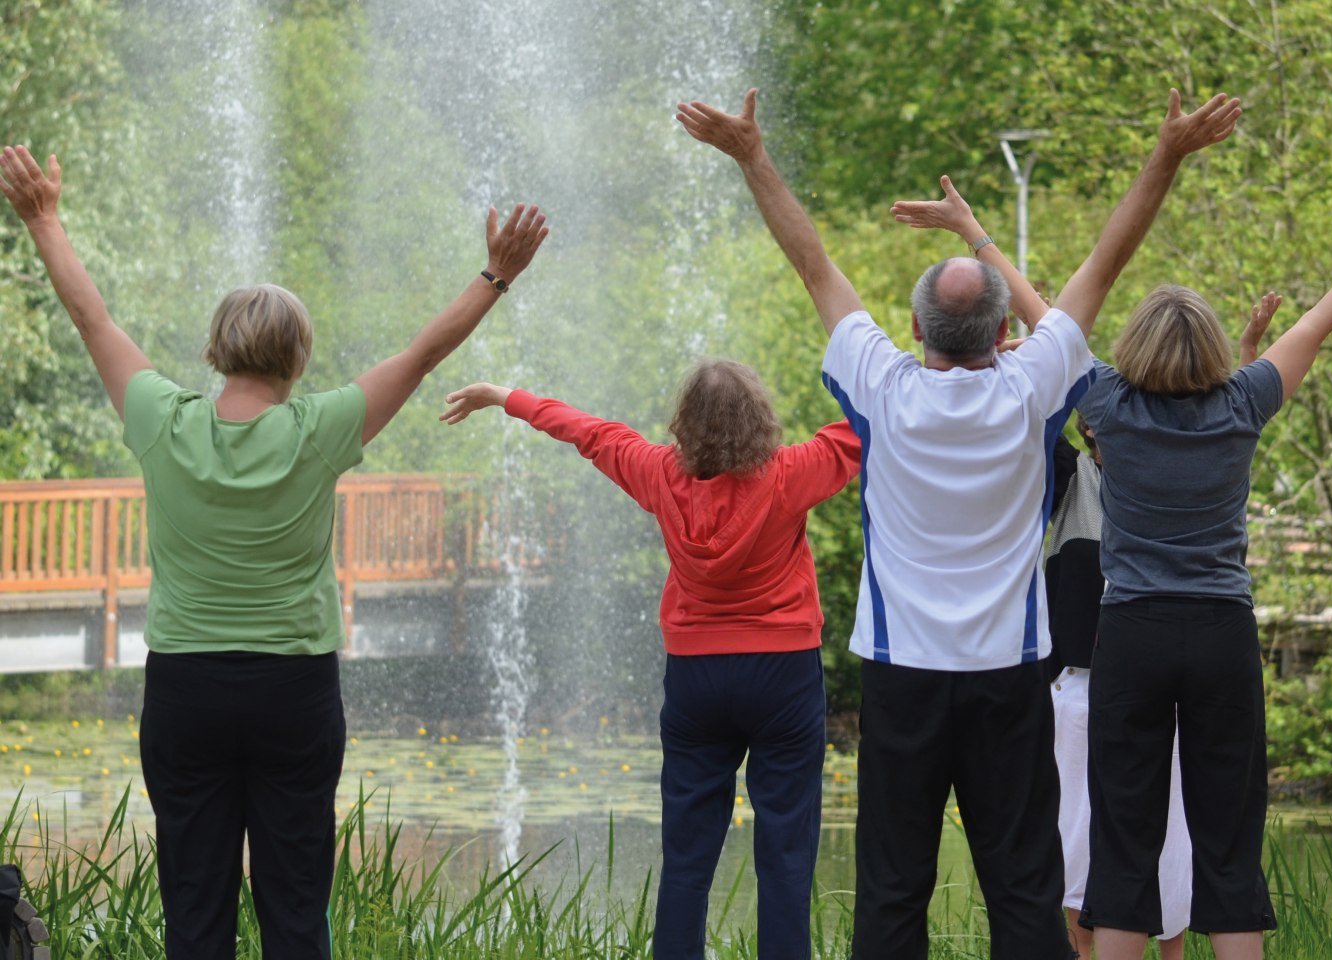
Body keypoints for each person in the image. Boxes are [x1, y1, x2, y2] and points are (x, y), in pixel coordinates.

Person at [679, 87, 1239, 959]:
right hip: (1009, 682)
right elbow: (1102, 265)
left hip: (902, 678)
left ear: (912, 327)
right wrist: (1164, 154)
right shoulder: (1031, 388)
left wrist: (755, 157)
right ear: (1006, 328)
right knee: (1024, 888)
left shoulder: (882, 387)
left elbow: (815, 267)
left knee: (893, 890)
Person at [0, 144, 548, 960]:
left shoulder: (160, 418)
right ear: (297, 358)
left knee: (194, 903)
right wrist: (496, 276)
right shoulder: (320, 430)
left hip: (185, 687)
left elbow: (94, 321)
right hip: (293, 688)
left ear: (217, 350)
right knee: (296, 906)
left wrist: (43, 219)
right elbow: (423, 353)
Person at [1071, 198, 1332, 960]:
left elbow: (1047, 311)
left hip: (1133, 632)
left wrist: (980, 241)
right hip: (1222, 633)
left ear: (1134, 345)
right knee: (1229, 846)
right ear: (1215, 348)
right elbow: (1321, 319)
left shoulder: (1107, 405)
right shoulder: (1243, 401)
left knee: (1124, 842)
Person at [439, 362, 859, 960]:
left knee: (687, 857)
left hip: (696, 679)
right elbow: (881, 418)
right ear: (759, 422)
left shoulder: (660, 473)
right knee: (786, 854)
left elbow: (588, 432)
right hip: (782, 675)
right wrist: (969, 364)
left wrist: (504, 397)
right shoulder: (792, 473)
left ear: (685, 425)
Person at [1045, 414, 1192, 960]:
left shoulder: (1175, 479)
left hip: (1163, 685)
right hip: (1080, 689)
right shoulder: (1071, 477)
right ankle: (1084, 953)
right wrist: (1018, 351)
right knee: (1077, 836)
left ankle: (1171, 954)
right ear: (1091, 435)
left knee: (1173, 831)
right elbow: (1030, 414)